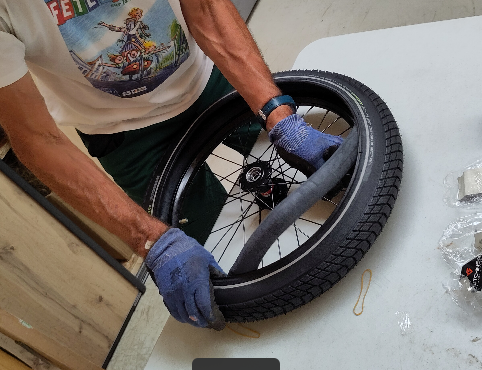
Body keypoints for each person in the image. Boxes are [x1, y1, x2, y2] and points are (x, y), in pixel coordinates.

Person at [0, 0, 343, 330]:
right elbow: (34, 137)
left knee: (302, 159)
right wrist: (149, 240)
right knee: (209, 251)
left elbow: (206, 9)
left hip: (205, 75)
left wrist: (280, 117)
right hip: (120, 134)